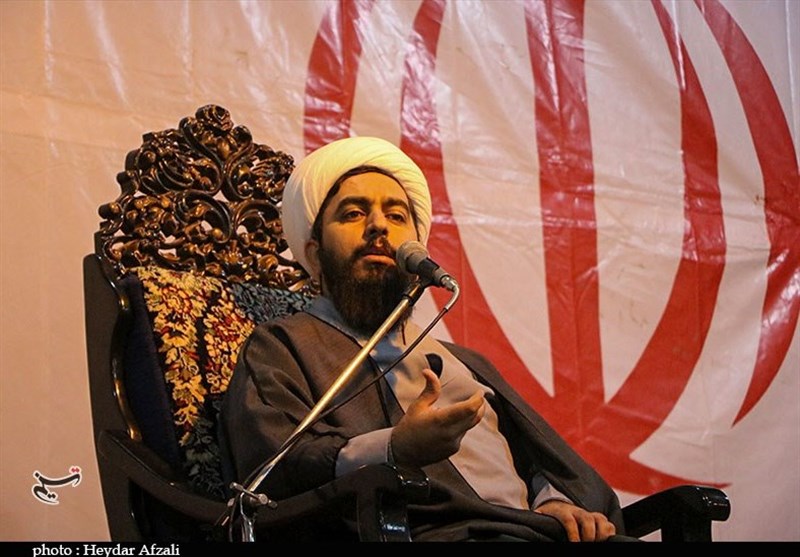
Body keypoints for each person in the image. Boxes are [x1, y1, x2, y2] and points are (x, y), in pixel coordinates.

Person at [220, 136, 632, 542]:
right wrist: (394, 449)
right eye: (353, 214)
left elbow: (542, 461)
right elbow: (270, 469)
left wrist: (553, 500)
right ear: (314, 254)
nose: (379, 226)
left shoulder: (466, 363)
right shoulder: (280, 346)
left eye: (397, 215)